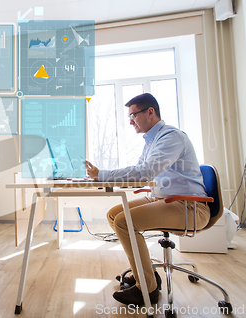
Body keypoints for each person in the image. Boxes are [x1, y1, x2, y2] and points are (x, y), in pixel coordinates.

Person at [85, 93, 210, 307]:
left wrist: (103, 174)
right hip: (165, 199)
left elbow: (145, 172)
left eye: (133, 115)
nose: (131, 120)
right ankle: (146, 273)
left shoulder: (171, 136)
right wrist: (103, 175)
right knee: (114, 215)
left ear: (150, 112)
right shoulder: (151, 141)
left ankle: (148, 289)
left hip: (190, 206)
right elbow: (141, 171)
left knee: (125, 221)